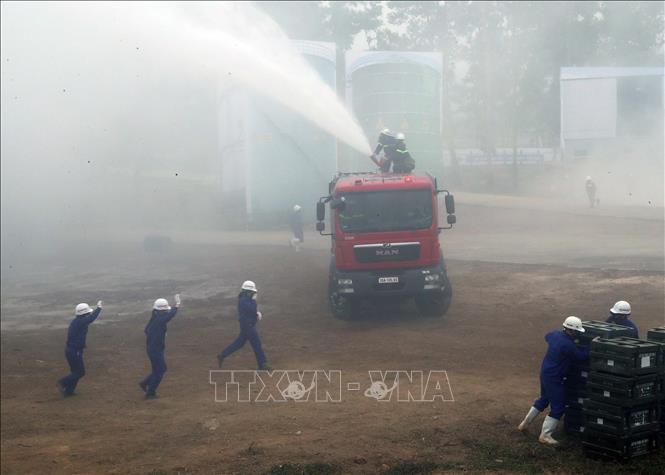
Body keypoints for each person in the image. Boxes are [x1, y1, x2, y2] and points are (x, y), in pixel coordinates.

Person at [517, 316, 593, 446]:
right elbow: (581, 357)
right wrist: (592, 345)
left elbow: (547, 336)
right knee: (558, 406)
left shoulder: (554, 335)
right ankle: (545, 435)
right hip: (555, 378)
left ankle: (524, 424)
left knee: (544, 399)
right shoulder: (567, 345)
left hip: (545, 373)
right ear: (573, 331)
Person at [217, 280, 271, 371]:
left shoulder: (244, 300)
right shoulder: (244, 301)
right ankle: (263, 364)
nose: (254, 294)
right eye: (252, 292)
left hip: (247, 325)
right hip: (248, 326)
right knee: (256, 344)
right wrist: (256, 314)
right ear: (248, 292)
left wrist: (255, 313)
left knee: (239, 343)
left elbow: (250, 311)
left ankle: (222, 355)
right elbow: (252, 310)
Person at [57, 301, 103, 397]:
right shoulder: (81, 321)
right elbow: (91, 318)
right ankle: (62, 382)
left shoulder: (77, 321)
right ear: (85, 313)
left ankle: (69, 391)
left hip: (71, 350)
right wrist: (98, 308)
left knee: (75, 372)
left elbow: (89, 319)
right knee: (80, 372)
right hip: (75, 351)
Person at [139, 294, 180, 399]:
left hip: (153, 348)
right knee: (161, 370)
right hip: (156, 350)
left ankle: (144, 383)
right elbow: (170, 316)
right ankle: (150, 393)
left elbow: (146, 330)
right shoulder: (159, 320)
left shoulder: (155, 317)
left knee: (158, 370)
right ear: (163, 311)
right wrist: (177, 305)